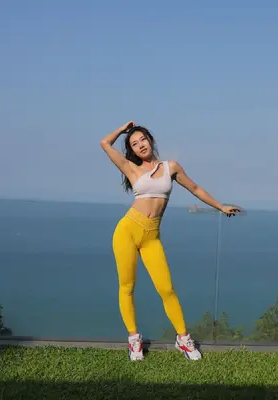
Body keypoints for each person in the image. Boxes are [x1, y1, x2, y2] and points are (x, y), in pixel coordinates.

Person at [100, 121, 240, 361]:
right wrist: (123, 130)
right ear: (131, 150)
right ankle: (134, 339)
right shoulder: (131, 169)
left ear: (150, 140)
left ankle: (183, 339)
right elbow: (105, 143)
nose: (140, 145)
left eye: (142, 139)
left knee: (166, 289)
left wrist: (220, 206)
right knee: (127, 287)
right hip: (127, 231)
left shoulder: (170, 167)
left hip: (151, 237)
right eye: (134, 144)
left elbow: (195, 188)